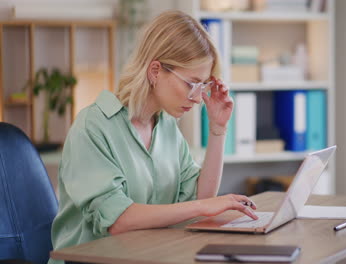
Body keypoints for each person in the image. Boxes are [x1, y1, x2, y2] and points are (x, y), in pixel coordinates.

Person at [48, 10, 258, 264]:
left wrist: (218, 128)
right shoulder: (92, 127)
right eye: (191, 84)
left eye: (203, 86)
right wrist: (202, 208)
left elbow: (202, 196)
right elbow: (118, 220)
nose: (196, 97)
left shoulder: (166, 125)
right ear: (156, 71)